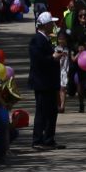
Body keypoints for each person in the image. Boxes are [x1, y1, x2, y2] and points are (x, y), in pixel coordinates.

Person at [26, 12, 62, 151]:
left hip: (50, 82)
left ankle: (49, 138)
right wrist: (52, 57)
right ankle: (37, 140)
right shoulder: (37, 40)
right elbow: (37, 60)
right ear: (45, 25)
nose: (53, 25)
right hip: (42, 82)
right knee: (42, 111)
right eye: (51, 23)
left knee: (52, 111)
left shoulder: (46, 39)